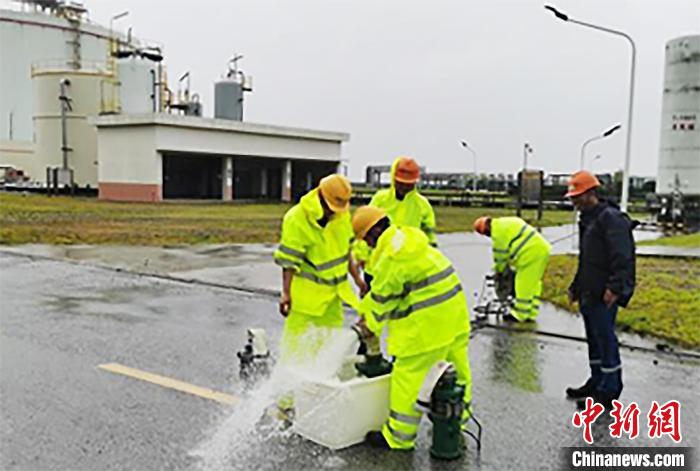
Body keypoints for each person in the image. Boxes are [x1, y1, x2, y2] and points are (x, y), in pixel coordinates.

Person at [352, 206, 473, 450]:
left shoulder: (391, 257)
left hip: (427, 327)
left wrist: (366, 324)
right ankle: (457, 421)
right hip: (456, 315)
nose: (368, 245)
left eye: (367, 239)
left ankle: (398, 438)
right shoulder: (408, 238)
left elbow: (382, 302)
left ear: (374, 231)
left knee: (407, 376)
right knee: (458, 370)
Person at [273, 174, 366, 365]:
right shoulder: (297, 218)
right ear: (321, 196)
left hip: (334, 297)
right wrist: (286, 293)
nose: (334, 212)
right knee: (296, 352)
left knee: (327, 350)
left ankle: (318, 392)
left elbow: (346, 251)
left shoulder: (341, 215)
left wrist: (357, 280)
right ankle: (288, 394)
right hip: (306, 300)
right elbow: (289, 261)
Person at [564, 171, 636, 409]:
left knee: (605, 340)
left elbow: (622, 257)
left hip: (605, 293)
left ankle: (609, 390)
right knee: (594, 340)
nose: (573, 201)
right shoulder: (588, 219)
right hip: (589, 290)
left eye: (577, 196)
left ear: (591, 193)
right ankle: (596, 382)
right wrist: (576, 286)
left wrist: (615, 288)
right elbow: (588, 260)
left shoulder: (611, 219)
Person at [353, 156, 437, 287]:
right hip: (377, 268)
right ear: (393, 179)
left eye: (408, 184)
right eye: (401, 183)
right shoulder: (380, 199)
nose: (404, 187)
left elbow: (430, 238)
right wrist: (362, 257)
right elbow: (365, 229)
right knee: (374, 305)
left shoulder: (422, 205)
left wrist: (430, 263)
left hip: (408, 271)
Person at [473, 216, 552, 322]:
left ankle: (520, 314)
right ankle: (531, 312)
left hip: (530, 253)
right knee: (533, 283)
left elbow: (500, 257)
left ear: (486, 229)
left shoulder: (497, 233)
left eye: (486, 234)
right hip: (542, 249)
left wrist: (500, 271)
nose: (488, 236)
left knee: (523, 283)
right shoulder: (505, 222)